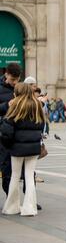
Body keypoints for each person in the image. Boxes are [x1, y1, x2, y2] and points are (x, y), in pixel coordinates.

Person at [0, 83, 45, 216]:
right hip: (33, 147)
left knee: (15, 176)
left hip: (16, 147)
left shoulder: (15, 105)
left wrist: (7, 144)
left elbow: (7, 129)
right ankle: (29, 208)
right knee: (29, 176)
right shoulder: (37, 105)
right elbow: (42, 125)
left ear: (16, 93)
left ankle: (12, 207)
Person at [0, 63, 21, 196]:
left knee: (24, 170)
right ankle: (11, 199)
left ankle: (30, 200)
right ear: (6, 74)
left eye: (17, 80)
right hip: (4, 133)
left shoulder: (20, 88)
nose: (14, 83)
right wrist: (7, 105)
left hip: (19, 134)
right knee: (6, 168)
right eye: (12, 80)